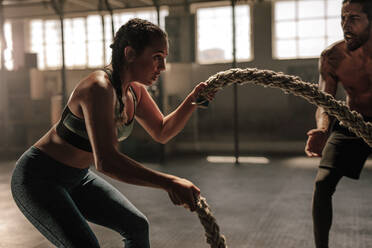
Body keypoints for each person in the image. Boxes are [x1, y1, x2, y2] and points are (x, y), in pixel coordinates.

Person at [11, 18, 215, 248]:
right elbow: (107, 161)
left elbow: (162, 131)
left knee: (137, 226)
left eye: (164, 58)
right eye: (157, 57)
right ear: (129, 53)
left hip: (78, 178)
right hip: (39, 178)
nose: (163, 67)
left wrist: (192, 101)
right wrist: (170, 182)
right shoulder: (98, 88)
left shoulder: (134, 91)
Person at [305, 1, 372, 247]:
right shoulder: (333, 57)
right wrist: (323, 128)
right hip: (353, 121)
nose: (345, 25)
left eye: (353, 18)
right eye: (342, 18)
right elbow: (325, 101)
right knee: (322, 184)